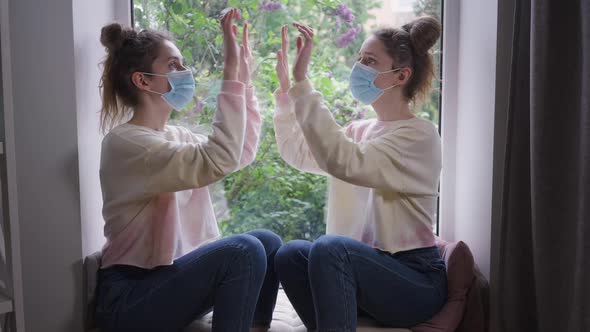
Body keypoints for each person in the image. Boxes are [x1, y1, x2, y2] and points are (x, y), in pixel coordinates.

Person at [94, 8, 281, 332]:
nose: (185, 71)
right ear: (143, 81)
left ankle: (254, 327)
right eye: (173, 65)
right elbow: (216, 159)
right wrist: (229, 74)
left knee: (267, 242)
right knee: (244, 250)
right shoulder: (128, 143)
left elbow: (238, 153)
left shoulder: (174, 136)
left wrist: (244, 83)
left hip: (166, 282)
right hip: (129, 298)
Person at [273, 16, 447, 331]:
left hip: (414, 280)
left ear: (401, 76)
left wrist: (304, 84)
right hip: (364, 273)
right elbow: (298, 154)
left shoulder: (419, 135)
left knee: (329, 247)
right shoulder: (360, 129)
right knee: (290, 255)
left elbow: (346, 161)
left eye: (370, 61)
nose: (359, 69)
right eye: (359, 59)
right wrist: (287, 97)